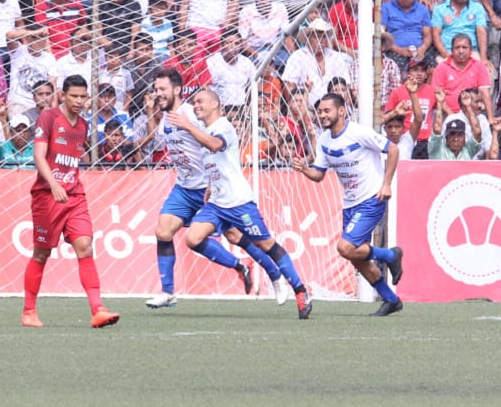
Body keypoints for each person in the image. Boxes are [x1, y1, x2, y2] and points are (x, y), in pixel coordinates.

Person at [144, 68, 287, 308]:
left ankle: (273, 274)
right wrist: (151, 112)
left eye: (162, 89)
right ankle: (169, 292)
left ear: (177, 90)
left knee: (238, 237)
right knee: (163, 232)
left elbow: (213, 139)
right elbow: (156, 139)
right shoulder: (166, 119)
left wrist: (193, 130)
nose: (158, 94)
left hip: (209, 190)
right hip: (184, 188)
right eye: (156, 89)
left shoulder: (191, 112)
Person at [172, 88, 314, 318]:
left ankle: (299, 289)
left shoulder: (223, 126)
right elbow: (217, 163)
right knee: (192, 238)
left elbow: (216, 146)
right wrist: (210, 187)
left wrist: (187, 125)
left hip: (238, 202)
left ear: (215, 104)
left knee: (267, 244)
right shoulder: (206, 131)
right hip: (217, 203)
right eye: (194, 102)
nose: (196, 105)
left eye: (200, 101)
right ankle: (259, 270)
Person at [21, 74, 120, 330]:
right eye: (73, 96)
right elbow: (38, 155)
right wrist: (53, 184)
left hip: (74, 195)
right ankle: (29, 311)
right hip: (47, 195)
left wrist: (64, 185)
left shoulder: (84, 126)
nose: (78, 101)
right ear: (62, 95)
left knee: (85, 246)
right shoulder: (49, 118)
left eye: (82, 96)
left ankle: (98, 309)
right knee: (42, 253)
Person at [294, 92, 404, 316]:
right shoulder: (324, 140)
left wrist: (386, 184)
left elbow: (393, 149)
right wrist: (304, 168)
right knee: (356, 257)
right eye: (320, 111)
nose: (323, 115)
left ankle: (391, 256)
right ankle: (392, 300)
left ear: (341, 111)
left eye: (327, 110)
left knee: (345, 247)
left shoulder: (358, 133)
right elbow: (319, 175)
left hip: (372, 198)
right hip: (350, 203)